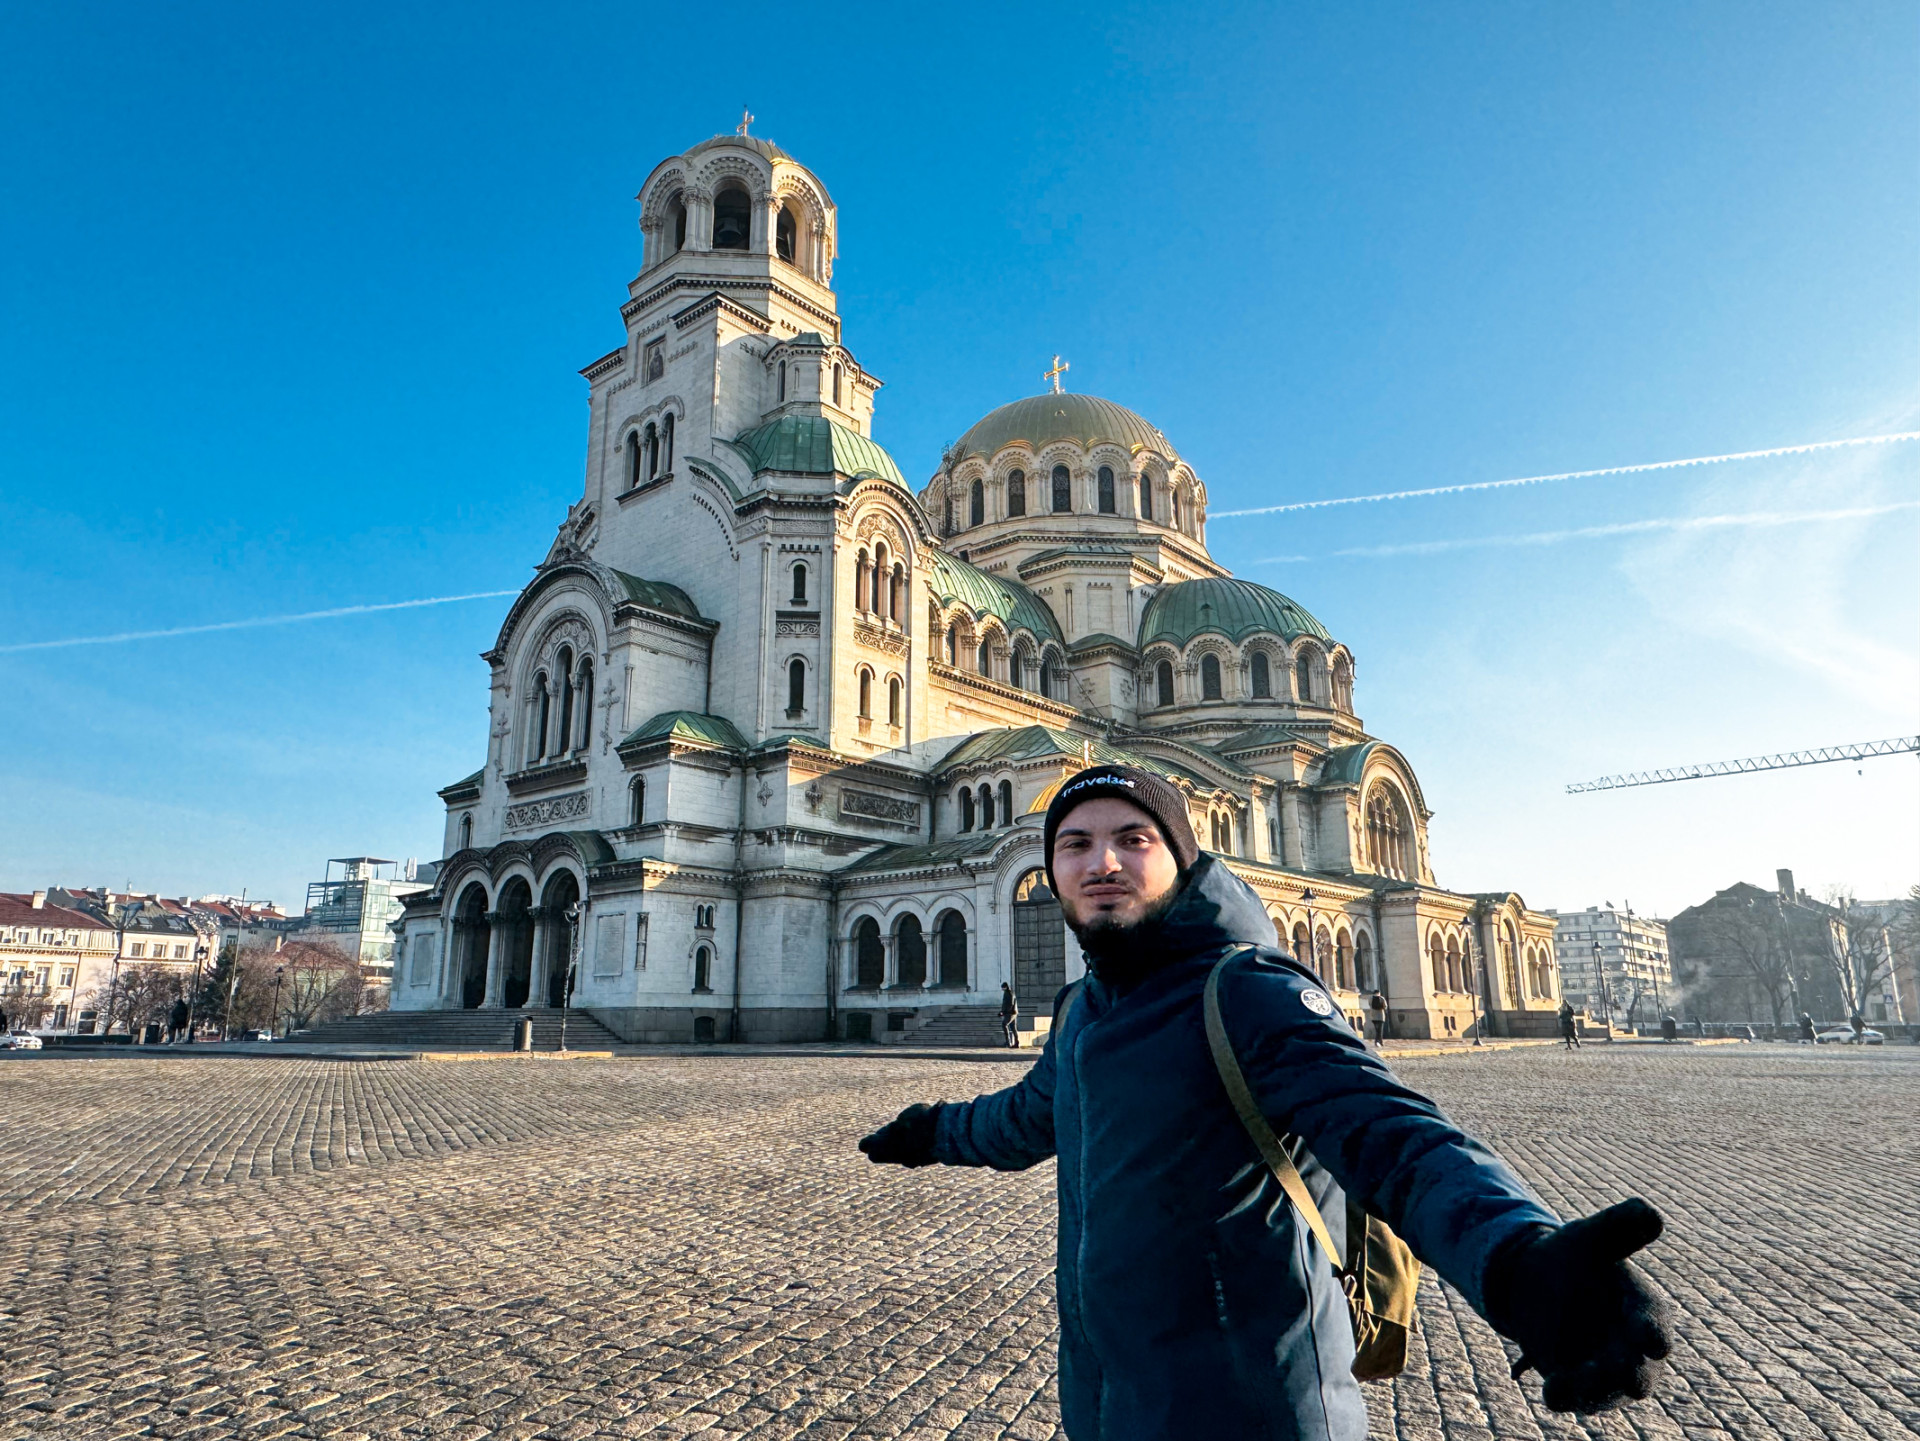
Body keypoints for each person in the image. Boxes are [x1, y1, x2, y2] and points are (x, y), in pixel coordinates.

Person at [858, 765, 1672, 1440]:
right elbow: (1033, 1115)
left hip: (1260, 1408)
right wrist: (936, 1131)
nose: (1100, 861)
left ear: (1181, 859)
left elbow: (1388, 1131)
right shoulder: (1082, 1012)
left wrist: (1513, 1255)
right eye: (1074, 844)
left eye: (1131, 839)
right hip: (1111, 1403)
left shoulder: (1246, 988)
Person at [999, 981, 1020, 1049]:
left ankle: (1008, 1042)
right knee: (1013, 1028)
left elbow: (1010, 1004)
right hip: (1013, 1012)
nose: (1002, 989)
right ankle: (1016, 1043)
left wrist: (1004, 1012)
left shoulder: (1008, 993)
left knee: (1004, 1024)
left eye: (1003, 988)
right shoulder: (1011, 993)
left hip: (1010, 1013)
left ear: (1005, 987)